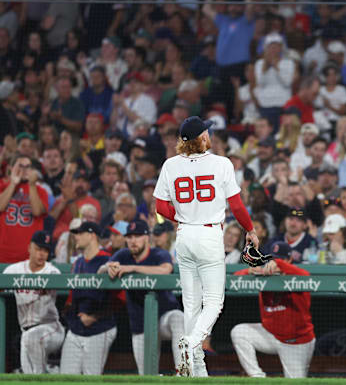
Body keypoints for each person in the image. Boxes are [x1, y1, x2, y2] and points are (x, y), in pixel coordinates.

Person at [152, 116, 260, 377]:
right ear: (201, 138)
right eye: (206, 132)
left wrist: (182, 218)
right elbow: (235, 205)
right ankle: (191, 343)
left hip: (185, 235)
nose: (209, 134)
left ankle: (195, 368)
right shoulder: (221, 163)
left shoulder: (170, 164)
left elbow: (159, 207)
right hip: (209, 234)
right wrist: (250, 229)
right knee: (213, 302)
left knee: (191, 304)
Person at [98, 220, 184, 375]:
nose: (133, 241)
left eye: (137, 236)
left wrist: (133, 268)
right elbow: (101, 270)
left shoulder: (159, 253)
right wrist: (108, 268)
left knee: (179, 318)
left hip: (164, 318)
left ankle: (183, 372)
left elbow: (166, 269)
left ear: (146, 237)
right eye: (129, 237)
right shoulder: (123, 255)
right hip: (140, 325)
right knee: (146, 376)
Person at [230, 242, 315, 378]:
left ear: (289, 260)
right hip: (270, 335)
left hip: (295, 341)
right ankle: (258, 377)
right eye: (272, 259)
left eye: (279, 259)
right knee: (239, 332)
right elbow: (233, 280)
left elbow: (306, 276)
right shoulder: (264, 276)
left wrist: (281, 265)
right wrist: (249, 271)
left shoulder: (296, 276)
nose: (273, 263)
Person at [3, 231, 64, 374]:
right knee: (28, 375)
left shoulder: (52, 272)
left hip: (51, 328)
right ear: (29, 247)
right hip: (25, 331)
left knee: (32, 338)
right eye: (38, 249)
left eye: (45, 250)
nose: (42, 254)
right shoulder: (14, 270)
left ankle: (42, 374)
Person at [60, 222, 117, 375]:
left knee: (91, 378)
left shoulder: (107, 260)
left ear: (92, 236)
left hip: (100, 327)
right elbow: (72, 296)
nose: (75, 237)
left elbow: (118, 299)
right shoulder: (78, 262)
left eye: (80, 233)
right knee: (66, 377)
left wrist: (95, 316)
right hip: (76, 328)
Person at [0, 155, 49, 263]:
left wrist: (32, 185)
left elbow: (36, 212)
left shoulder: (41, 191)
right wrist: (13, 183)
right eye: (20, 166)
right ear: (10, 169)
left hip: (30, 257)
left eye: (28, 167)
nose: (24, 170)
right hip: (2, 255)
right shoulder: (2, 187)